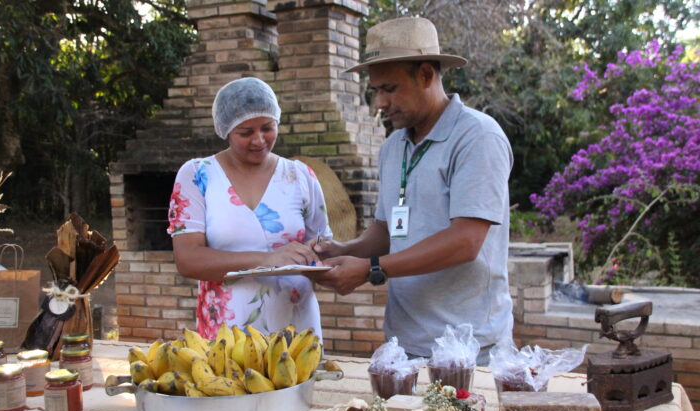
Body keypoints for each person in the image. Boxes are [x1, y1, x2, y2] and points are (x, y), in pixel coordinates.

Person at [311, 17, 513, 365]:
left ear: (425, 75)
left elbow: (466, 241)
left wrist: (371, 268)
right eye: (375, 90)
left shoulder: (477, 137)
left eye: (389, 88)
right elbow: (388, 231)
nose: (380, 103)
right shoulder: (393, 148)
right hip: (403, 345)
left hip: (470, 349)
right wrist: (343, 251)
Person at [168, 77, 332, 340]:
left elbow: (323, 245)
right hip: (226, 334)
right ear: (226, 130)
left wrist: (325, 257)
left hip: (295, 329)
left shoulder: (300, 176)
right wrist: (266, 260)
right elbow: (188, 260)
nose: (259, 140)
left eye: (267, 128)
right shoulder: (198, 175)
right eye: (245, 133)